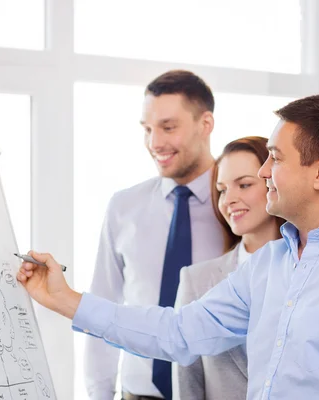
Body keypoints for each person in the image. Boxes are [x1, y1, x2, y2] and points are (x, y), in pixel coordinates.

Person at [17, 95, 319, 399]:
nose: (265, 170)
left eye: (276, 158)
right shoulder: (268, 264)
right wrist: (64, 299)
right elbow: (178, 332)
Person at [84, 70, 225, 400]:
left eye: (168, 127)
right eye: (147, 129)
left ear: (205, 124)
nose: (154, 143)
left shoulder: (240, 208)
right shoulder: (124, 207)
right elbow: (102, 308)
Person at [173, 136, 284, 400]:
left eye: (244, 185)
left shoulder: (309, 269)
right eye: (222, 190)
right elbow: (187, 382)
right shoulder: (197, 280)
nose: (229, 199)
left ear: (275, 183)